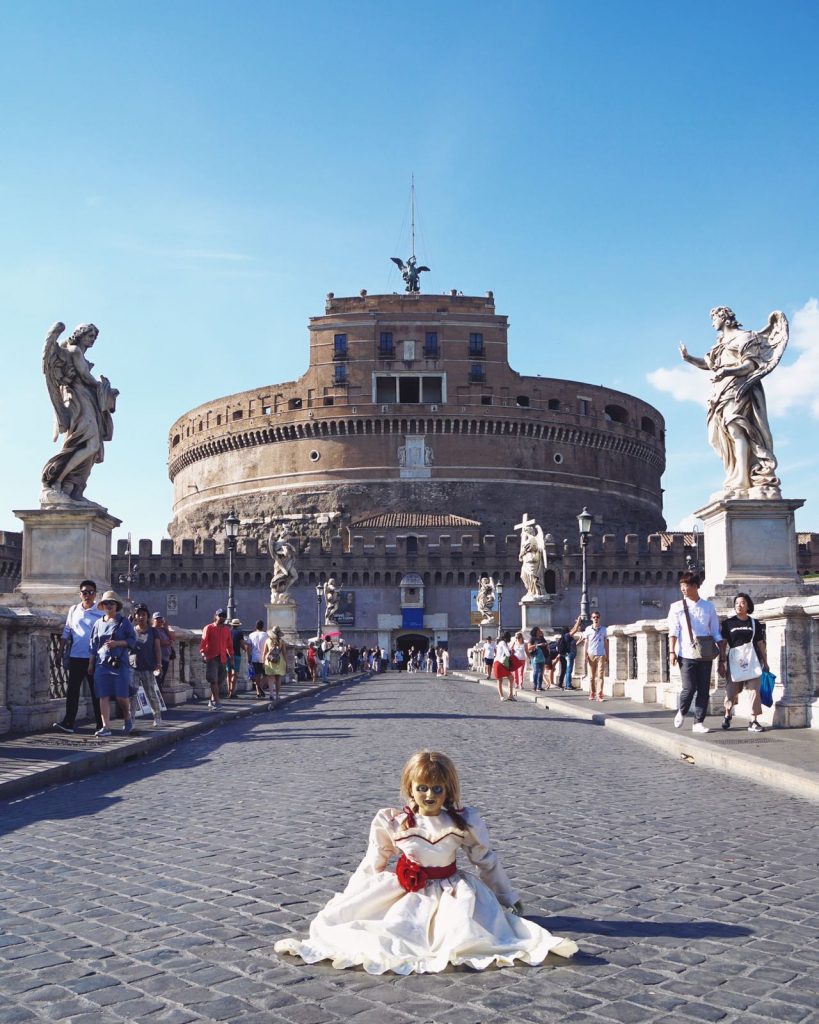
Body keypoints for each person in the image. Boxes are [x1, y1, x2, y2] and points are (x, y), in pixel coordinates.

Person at [273, 749, 577, 974]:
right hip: (405, 893)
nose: (429, 795)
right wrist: (353, 895)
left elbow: (484, 860)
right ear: (410, 788)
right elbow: (374, 860)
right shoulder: (394, 822)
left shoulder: (461, 823)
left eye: (436, 789)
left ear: (447, 791)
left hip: (452, 892)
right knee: (391, 931)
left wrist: (507, 896)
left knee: (459, 933)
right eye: (422, 788)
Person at [679, 307, 788, 497]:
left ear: (725, 318)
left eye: (714, 318)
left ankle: (743, 479)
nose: (712, 322)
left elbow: (751, 365)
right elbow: (710, 365)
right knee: (719, 436)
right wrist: (688, 358)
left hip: (740, 388)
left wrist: (728, 371)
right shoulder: (720, 343)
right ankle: (735, 474)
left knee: (737, 429)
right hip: (720, 391)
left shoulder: (745, 338)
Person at [667, 572, 722, 734]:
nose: (683, 589)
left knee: (704, 689)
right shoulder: (676, 607)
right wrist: (671, 651)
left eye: (687, 585)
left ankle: (698, 722)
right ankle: (682, 711)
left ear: (696, 586)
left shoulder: (708, 607)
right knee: (689, 688)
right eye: (681, 586)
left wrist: (721, 650)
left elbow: (715, 631)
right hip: (685, 653)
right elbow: (673, 631)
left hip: (705, 653)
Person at [53, 580, 104, 734]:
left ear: (95, 594)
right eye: (84, 592)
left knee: (96, 692)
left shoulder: (101, 611)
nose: (86, 595)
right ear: (80, 594)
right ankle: (69, 722)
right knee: (72, 691)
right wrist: (60, 651)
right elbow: (67, 631)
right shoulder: (73, 609)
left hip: (93, 658)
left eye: (90, 592)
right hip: (75, 656)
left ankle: (101, 724)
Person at [88, 590, 137, 737]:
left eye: (112, 603)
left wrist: (117, 643)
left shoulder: (124, 622)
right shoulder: (98, 623)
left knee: (121, 696)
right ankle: (106, 727)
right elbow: (93, 645)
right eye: (106, 603)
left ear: (116, 606)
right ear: (102, 606)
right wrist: (91, 663)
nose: (109, 605)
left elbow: (132, 641)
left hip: (119, 663)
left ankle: (127, 718)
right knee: (103, 695)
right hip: (102, 663)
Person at [720, 592, 769, 733]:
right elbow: (723, 644)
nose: (739, 606)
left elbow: (760, 643)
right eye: (736, 603)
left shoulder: (754, 623)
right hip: (735, 662)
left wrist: (765, 662)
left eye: (742, 603)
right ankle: (727, 714)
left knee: (754, 691)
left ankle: (753, 721)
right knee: (732, 691)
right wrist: (721, 662)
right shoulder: (728, 623)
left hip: (753, 661)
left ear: (748, 606)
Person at [130, 603, 163, 727]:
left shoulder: (153, 631)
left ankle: (157, 716)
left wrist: (159, 664)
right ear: (135, 616)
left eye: (143, 614)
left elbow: (157, 648)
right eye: (138, 614)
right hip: (133, 666)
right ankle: (130, 720)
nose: (141, 617)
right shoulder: (131, 631)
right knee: (131, 695)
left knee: (150, 693)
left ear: (147, 616)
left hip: (148, 667)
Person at [199, 608, 233, 710]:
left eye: (224, 616)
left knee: (219, 681)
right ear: (216, 616)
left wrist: (231, 656)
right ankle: (217, 702)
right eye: (220, 615)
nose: (222, 617)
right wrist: (203, 653)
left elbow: (229, 645)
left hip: (222, 658)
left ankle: (212, 699)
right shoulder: (208, 628)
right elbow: (203, 642)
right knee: (213, 680)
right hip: (212, 657)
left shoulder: (227, 630)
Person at [570, 612, 608, 702]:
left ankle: (600, 694)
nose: (596, 619)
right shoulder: (588, 629)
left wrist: (607, 654)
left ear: (600, 618)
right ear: (591, 618)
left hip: (601, 654)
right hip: (591, 654)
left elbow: (606, 642)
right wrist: (585, 655)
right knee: (591, 676)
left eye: (597, 617)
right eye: (594, 617)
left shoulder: (604, 629)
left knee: (601, 676)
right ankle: (592, 692)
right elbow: (586, 643)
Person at [152, 612, 176, 690]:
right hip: (157, 659)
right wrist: (168, 642)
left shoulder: (163, 630)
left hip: (166, 658)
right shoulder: (152, 630)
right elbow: (160, 643)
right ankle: (157, 696)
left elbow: (173, 637)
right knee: (157, 678)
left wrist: (166, 628)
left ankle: (159, 696)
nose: (159, 621)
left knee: (161, 678)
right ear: (153, 620)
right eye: (157, 619)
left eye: (160, 619)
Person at [263, 627, 287, 702]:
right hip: (279, 660)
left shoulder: (267, 640)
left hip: (270, 659)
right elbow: (284, 653)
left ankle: (271, 694)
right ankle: (277, 694)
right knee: (278, 678)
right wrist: (286, 662)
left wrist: (263, 662)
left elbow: (264, 652)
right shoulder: (281, 641)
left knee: (270, 678)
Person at [493, 631, 518, 702]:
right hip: (500, 663)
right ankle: (506, 696)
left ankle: (506, 696)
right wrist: (511, 652)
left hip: (499, 663)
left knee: (502, 680)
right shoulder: (503, 643)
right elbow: (507, 653)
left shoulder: (502, 643)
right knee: (507, 678)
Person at [247, 619, 269, 698]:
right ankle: (260, 686)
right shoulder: (266, 635)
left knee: (257, 675)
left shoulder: (251, 635)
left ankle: (258, 692)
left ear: (255, 626)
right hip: (264, 658)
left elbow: (249, 647)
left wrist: (249, 656)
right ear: (263, 626)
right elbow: (268, 646)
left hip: (254, 657)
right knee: (267, 674)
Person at [526, 627, 551, 692]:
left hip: (542, 657)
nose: (540, 631)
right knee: (536, 671)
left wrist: (545, 644)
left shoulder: (541, 638)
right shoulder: (532, 638)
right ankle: (535, 686)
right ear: (535, 631)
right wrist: (539, 645)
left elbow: (546, 644)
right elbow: (529, 647)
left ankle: (539, 686)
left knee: (541, 672)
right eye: (538, 631)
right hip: (535, 657)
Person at [228, 618, 246, 699]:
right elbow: (242, 644)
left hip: (227, 654)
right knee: (235, 674)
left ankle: (229, 690)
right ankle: (232, 691)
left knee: (228, 673)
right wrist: (245, 649)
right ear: (238, 625)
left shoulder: (227, 632)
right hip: (236, 655)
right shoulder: (239, 633)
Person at [560, 626, 577, 690]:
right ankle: (568, 685)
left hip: (568, 655)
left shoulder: (566, 636)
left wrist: (578, 623)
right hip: (569, 655)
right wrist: (578, 621)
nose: (570, 630)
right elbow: (575, 630)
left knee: (568, 670)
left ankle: (568, 684)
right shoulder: (567, 635)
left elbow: (574, 629)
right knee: (569, 671)